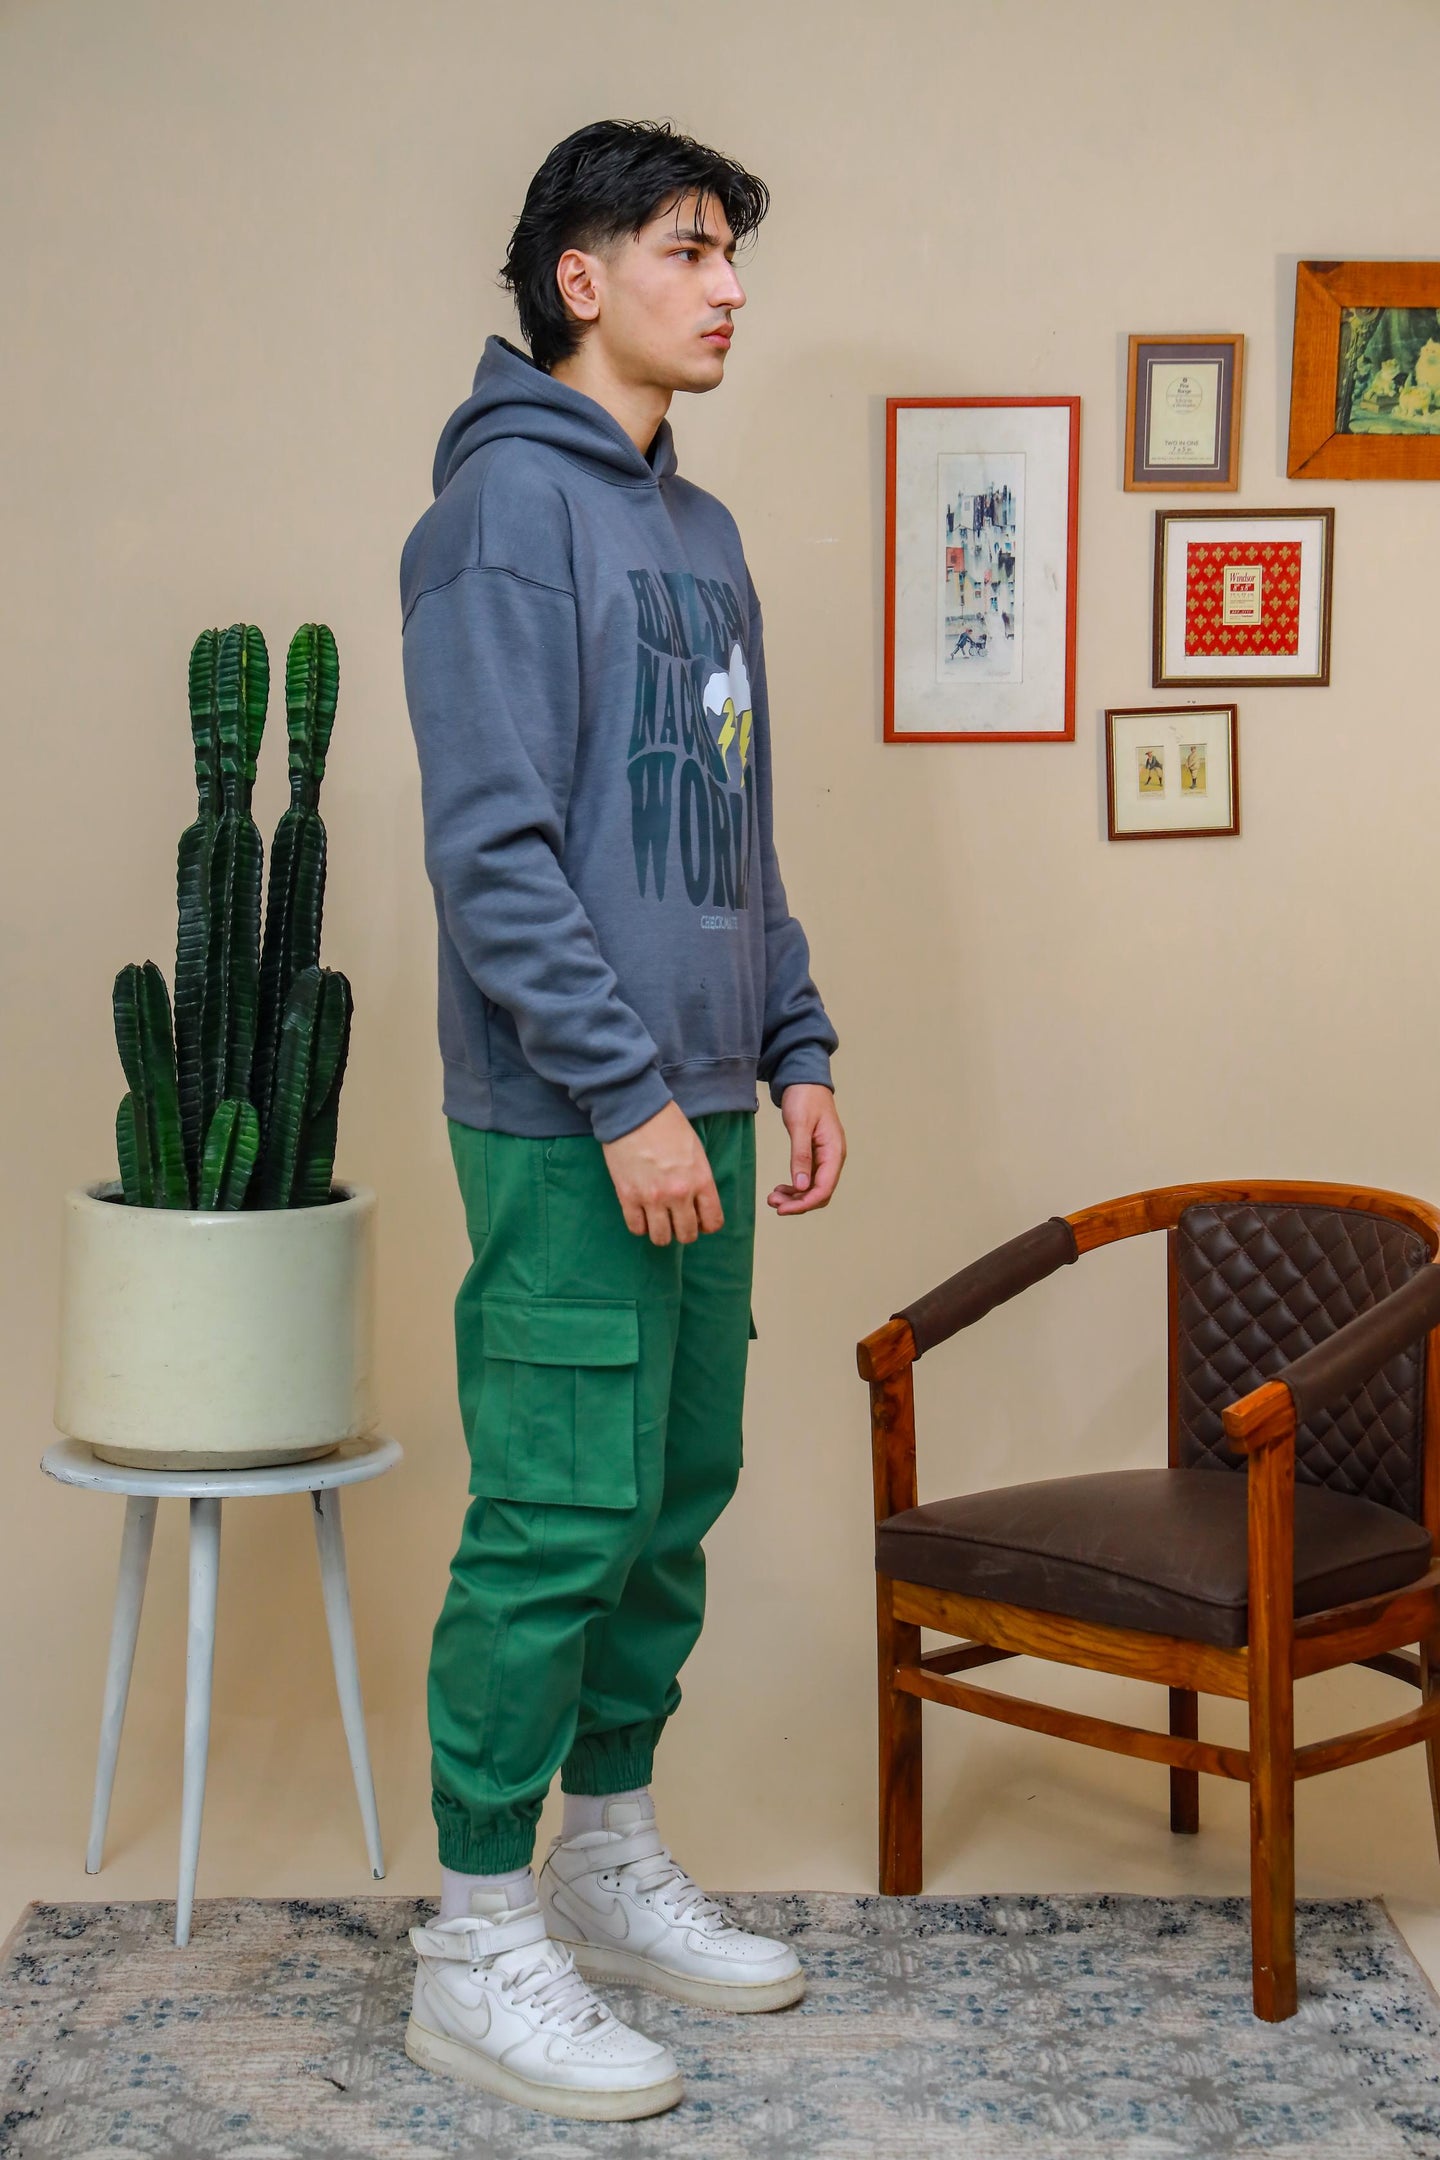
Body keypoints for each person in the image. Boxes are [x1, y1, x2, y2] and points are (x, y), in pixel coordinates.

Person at [397, 118, 845, 2123]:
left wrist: (794, 1045)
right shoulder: (501, 517)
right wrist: (628, 1094)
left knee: (671, 1495)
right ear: (581, 280)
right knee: (557, 1513)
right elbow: (493, 862)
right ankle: (477, 1939)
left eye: (732, 251)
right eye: (689, 247)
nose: (728, 285)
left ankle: (605, 1852)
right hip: (572, 1118)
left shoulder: (706, 534)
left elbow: (737, 837)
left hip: (704, 1106)